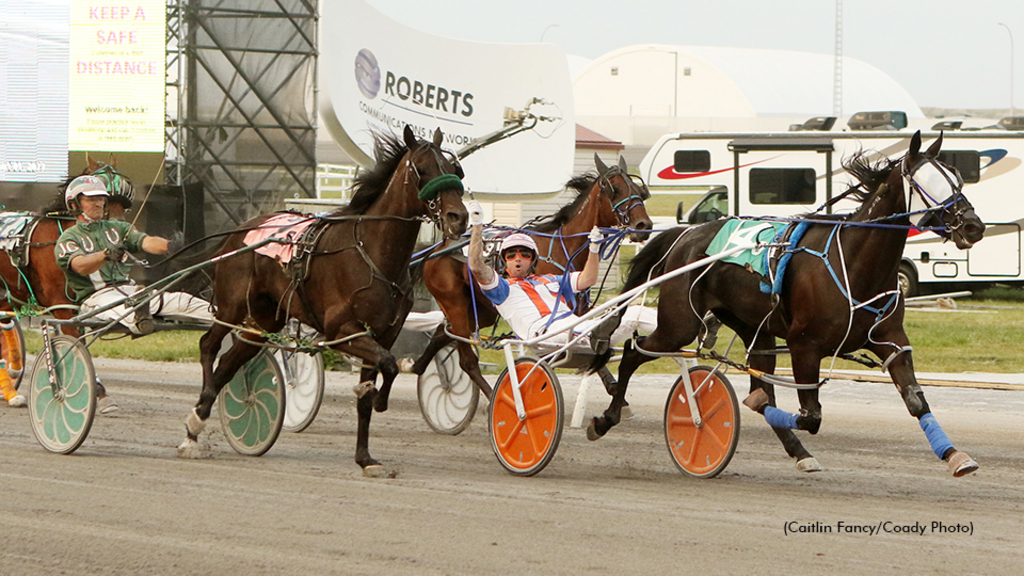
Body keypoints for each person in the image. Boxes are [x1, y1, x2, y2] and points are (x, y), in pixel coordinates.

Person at [55, 175, 214, 412]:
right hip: (97, 298)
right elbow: (80, 265)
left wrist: (170, 246)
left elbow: (146, 242)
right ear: (75, 204)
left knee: (180, 299)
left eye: (101, 199)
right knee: (129, 305)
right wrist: (105, 255)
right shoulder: (68, 238)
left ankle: (225, 317)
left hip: (130, 291)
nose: (98, 204)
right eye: (91, 199)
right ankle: (139, 317)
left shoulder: (118, 228)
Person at [466, 200, 655, 347]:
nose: (518, 258)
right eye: (511, 254)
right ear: (505, 260)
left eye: (524, 254)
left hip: (577, 327)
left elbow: (588, 279)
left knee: (636, 312)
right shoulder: (502, 288)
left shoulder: (549, 280)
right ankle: (596, 334)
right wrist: (477, 225)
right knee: (569, 329)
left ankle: (678, 334)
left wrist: (594, 248)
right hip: (545, 334)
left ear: (532, 260)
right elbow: (475, 265)